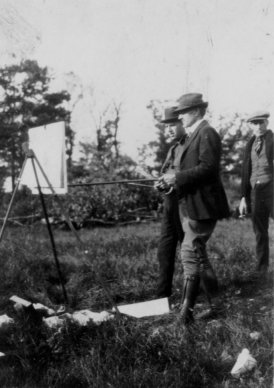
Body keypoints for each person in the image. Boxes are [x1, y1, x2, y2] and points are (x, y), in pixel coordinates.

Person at [160, 93, 230, 324]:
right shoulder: (194, 135)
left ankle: (185, 314)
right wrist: (170, 179)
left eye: (183, 112)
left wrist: (177, 178)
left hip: (205, 205)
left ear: (197, 111)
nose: (180, 116)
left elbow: (209, 169)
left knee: (189, 253)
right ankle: (216, 306)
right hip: (193, 205)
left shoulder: (207, 132)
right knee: (199, 256)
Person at [155, 107, 186, 298]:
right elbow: (164, 174)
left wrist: (173, 181)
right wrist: (160, 184)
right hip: (169, 205)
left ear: (183, 122)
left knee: (190, 250)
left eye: (173, 125)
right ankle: (161, 297)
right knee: (164, 250)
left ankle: (208, 293)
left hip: (184, 206)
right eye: (167, 126)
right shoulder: (173, 149)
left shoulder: (190, 146)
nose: (169, 130)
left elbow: (191, 176)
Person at [239, 111, 273, 274]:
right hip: (256, 190)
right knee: (260, 231)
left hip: (272, 188)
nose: (259, 126)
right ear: (250, 125)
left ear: (267, 123)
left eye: (261, 122)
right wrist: (244, 197)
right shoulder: (250, 143)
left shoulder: (273, 139)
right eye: (255, 123)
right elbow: (245, 171)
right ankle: (262, 269)